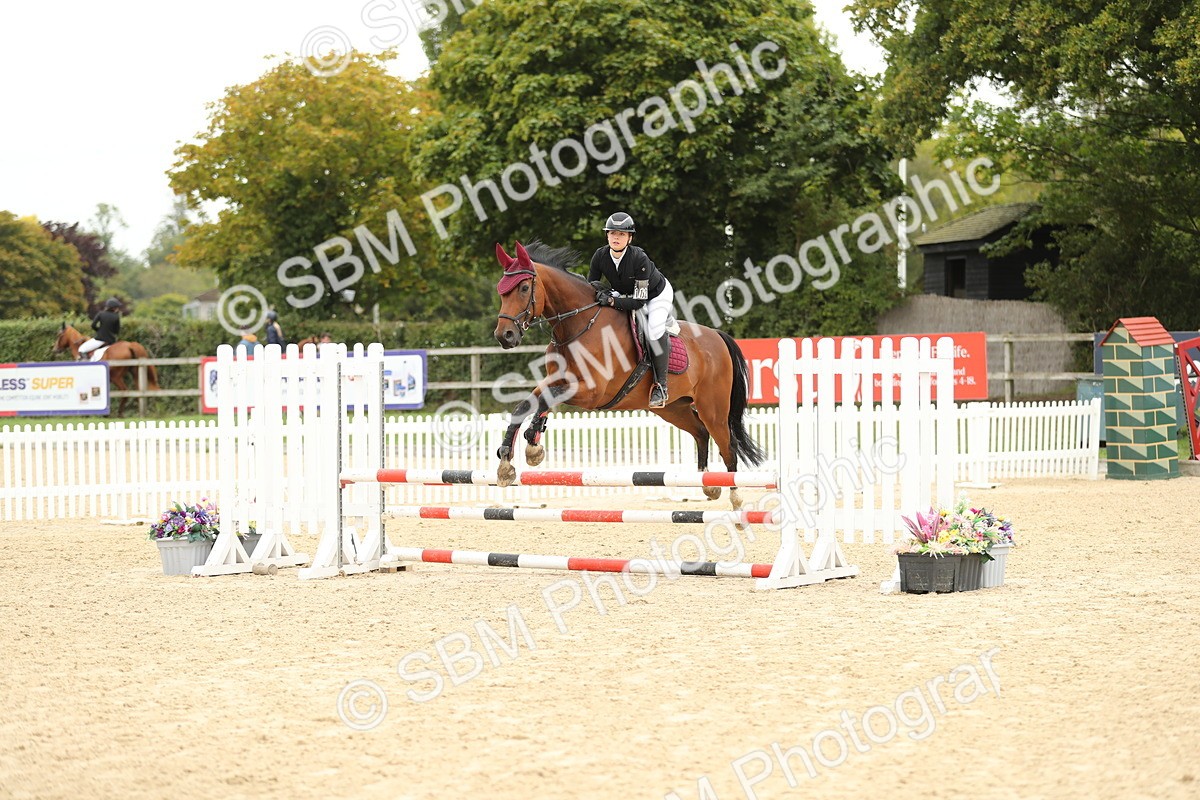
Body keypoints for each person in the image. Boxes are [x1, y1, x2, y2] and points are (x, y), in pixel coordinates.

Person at [588, 212, 675, 407]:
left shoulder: (639, 258)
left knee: (653, 329)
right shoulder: (600, 256)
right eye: (612, 233)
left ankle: (661, 387)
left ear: (630, 238)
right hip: (625, 294)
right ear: (607, 236)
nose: (616, 237)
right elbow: (591, 285)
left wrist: (610, 301)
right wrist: (601, 292)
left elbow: (638, 303)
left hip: (655, 295)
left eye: (621, 234)